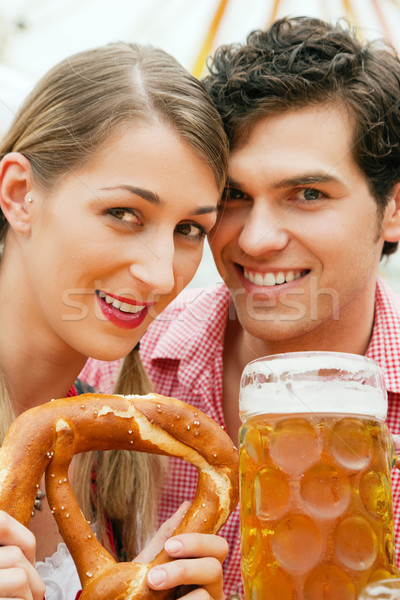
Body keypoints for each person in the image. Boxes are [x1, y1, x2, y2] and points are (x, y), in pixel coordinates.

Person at [81, 16, 400, 598]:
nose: (255, 239)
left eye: (308, 195)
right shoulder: (116, 372)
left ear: (393, 208)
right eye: (234, 195)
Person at [0, 40, 230, 600]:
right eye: (124, 214)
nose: (158, 273)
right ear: (20, 194)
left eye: (189, 230)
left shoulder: (117, 466)